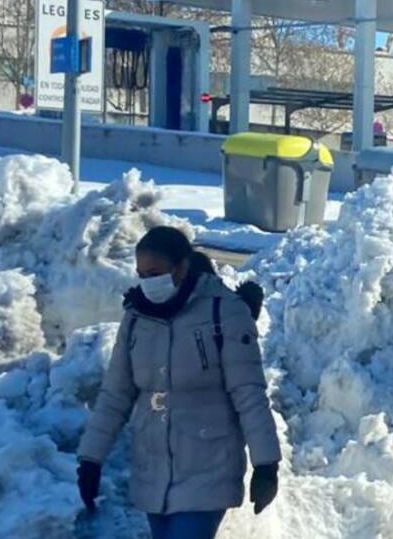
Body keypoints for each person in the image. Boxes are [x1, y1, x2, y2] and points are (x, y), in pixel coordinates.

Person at [76, 226, 280, 539]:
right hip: (153, 470)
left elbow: (248, 393)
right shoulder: (137, 316)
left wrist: (266, 464)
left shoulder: (223, 311)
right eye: (141, 274)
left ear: (182, 267)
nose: (148, 282)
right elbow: (115, 395)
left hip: (208, 467)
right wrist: (90, 460)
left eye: (155, 272)